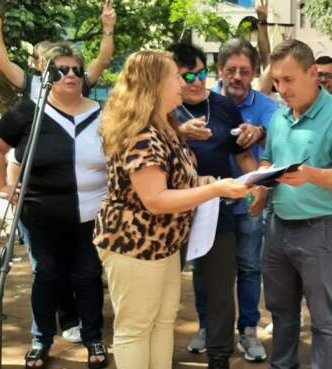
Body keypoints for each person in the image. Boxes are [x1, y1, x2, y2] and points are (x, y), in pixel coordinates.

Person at [94, 50, 249, 369]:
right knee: (136, 329)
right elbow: (156, 199)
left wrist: (202, 181)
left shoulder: (164, 127)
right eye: (176, 76)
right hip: (134, 247)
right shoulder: (141, 134)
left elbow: (175, 182)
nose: (183, 82)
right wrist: (216, 188)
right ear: (155, 85)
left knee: (163, 323)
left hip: (163, 246)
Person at [0, 44, 108, 369]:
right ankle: (41, 340)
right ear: (46, 76)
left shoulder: (103, 113)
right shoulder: (28, 112)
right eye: (60, 70)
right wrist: (2, 185)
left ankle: (93, 337)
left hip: (92, 216)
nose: (70, 74)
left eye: (75, 70)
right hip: (39, 216)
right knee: (47, 275)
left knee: (88, 276)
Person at [259, 39, 332, 369]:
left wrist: (311, 175)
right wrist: (257, 189)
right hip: (277, 229)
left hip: (321, 231)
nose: (281, 88)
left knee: (324, 321)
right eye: (276, 81)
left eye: (288, 80)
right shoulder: (278, 118)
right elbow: (268, 160)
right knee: (282, 315)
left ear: (312, 74)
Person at [168, 42, 262, 369]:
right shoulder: (161, 108)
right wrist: (178, 132)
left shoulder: (222, 106)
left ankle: (219, 355)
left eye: (201, 73)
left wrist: (258, 186)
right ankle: (156, 351)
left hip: (216, 210)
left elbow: (242, 154)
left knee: (221, 286)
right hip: (170, 213)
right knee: (165, 288)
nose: (195, 81)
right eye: (187, 75)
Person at [210, 37, 277, 362]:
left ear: (254, 74)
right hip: (212, 202)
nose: (237, 77)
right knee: (207, 269)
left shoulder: (266, 107)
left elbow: (279, 134)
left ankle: (248, 331)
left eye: (244, 71)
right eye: (231, 70)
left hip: (252, 202)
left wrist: (261, 132)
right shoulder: (204, 102)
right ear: (220, 70)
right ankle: (209, 328)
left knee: (250, 268)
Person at [0, 0, 116, 99]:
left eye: (51, 57)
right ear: (35, 63)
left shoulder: (76, 77)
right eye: (43, 58)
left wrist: (108, 28)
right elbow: (3, 64)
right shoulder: (31, 83)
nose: (48, 61)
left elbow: (103, 61)